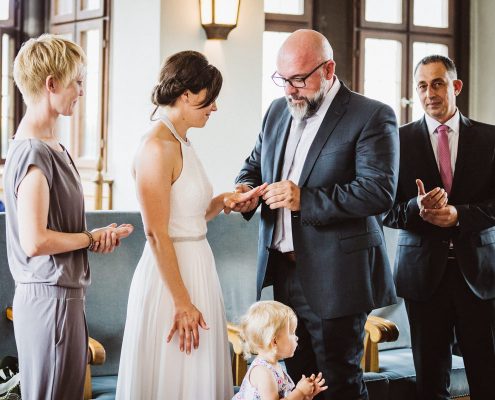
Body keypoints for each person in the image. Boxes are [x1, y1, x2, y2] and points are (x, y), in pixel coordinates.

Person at [229, 29, 399, 400]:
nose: (289, 90)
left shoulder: (371, 115)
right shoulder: (277, 111)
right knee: (297, 383)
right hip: (282, 271)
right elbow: (253, 167)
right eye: (282, 79)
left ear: (328, 69)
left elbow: (378, 192)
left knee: (337, 382)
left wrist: (305, 199)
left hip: (337, 275)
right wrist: (245, 192)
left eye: (299, 80)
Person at [115, 50, 264, 400]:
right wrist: (181, 302)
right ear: (186, 95)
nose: (214, 108)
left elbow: (190, 216)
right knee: (173, 375)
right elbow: (156, 232)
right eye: (209, 99)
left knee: (196, 377)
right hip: (170, 280)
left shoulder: (181, 141)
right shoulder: (156, 147)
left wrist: (225, 200)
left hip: (198, 266)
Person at [3, 34, 134, 400]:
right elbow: (36, 240)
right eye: (77, 81)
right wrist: (89, 238)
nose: (81, 90)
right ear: (51, 84)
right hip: (49, 300)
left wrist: (92, 237)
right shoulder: (33, 152)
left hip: (64, 296)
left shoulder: (53, 147)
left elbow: (58, 231)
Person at [384, 54, 495, 400]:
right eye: (421, 86)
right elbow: (384, 210)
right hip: (422, 276)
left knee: (487, 376)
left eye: (437, 83)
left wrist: (458, 216)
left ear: (455, 86)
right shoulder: (397, 141)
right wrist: (416, 208)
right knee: (430, 382)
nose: (429, 93)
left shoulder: (490, 139)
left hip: (479, 274)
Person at [234, 300, 328, 400]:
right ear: (274, 342)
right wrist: (299, 392)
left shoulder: (274, 365)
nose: (296, 338)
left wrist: (306, 395)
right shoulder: (263, 373)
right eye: (291, 333)